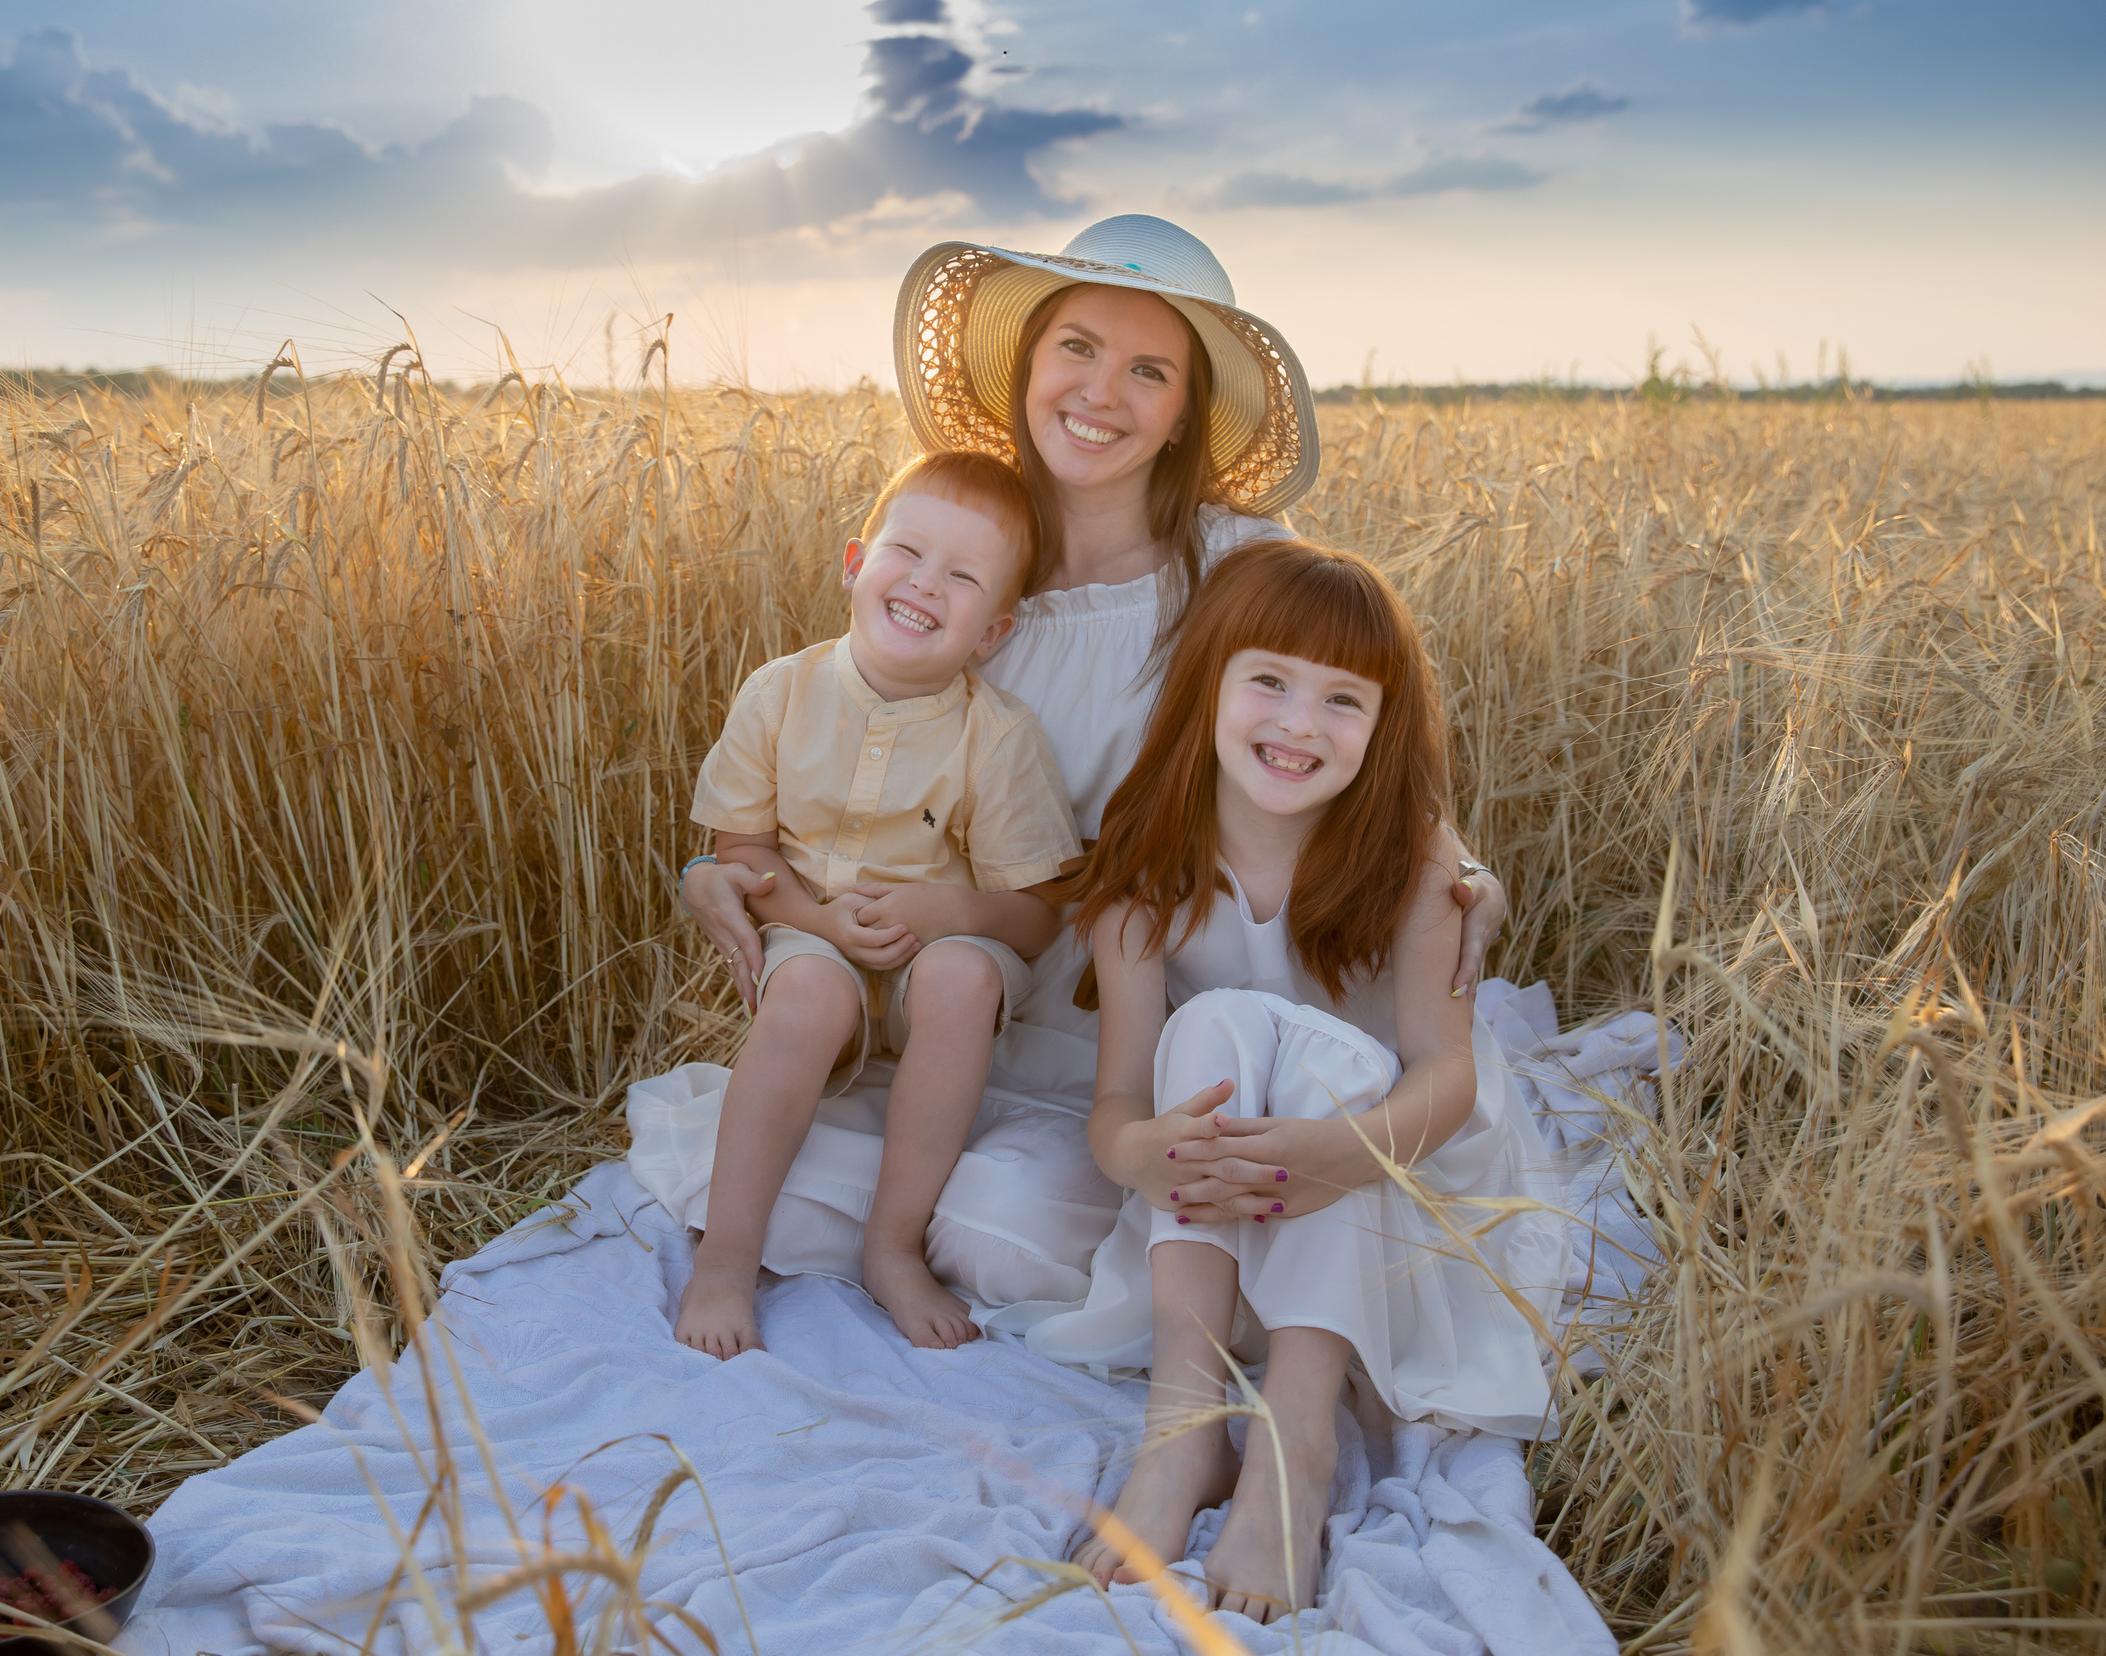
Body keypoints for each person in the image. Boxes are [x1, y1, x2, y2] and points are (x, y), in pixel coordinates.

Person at [637, 214, 1510, 1332]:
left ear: (1187, 410)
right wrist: (723, 874)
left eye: (1149, 371)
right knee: (895, 1210)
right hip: (986, 982)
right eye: (1077, 350)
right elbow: (854, 761)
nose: (1101, 393)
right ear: (1026, 366)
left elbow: (1359, 753)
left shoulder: (1242, 565)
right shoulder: (968, 563)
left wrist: (1469, 873)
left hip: (1182, 986)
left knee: (1028, 1223)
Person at [1059, 540, 1567, 1620]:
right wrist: (1133, 1151)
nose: (1298, 724)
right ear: (1208, 684)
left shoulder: (1417, 865)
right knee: (1212, 1031)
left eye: (1343, 700)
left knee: (1336, 1055)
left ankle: (1295, 1434)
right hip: (1228, 1210)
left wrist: (1343, 1153)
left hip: (1392, 1191)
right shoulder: (1147, 868)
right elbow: (1116, 1106)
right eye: (1270, 682)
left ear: (1382, 730)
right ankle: (1182, 1426)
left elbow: (1446, 1078)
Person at [672, 451, 1084, 1359]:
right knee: (812, 995)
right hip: (811, 938)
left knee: (963, 980)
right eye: (909, 552)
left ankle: (894, 1247)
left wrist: (947, 913)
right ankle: (728, 1258)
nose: (926, 584)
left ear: (992, 631)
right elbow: (743, 851)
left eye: (964, 576)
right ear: (857, 564)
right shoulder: (779, 692)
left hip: (935, 959)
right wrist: (818, 923)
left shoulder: (999, 737)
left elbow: (1039, 913)